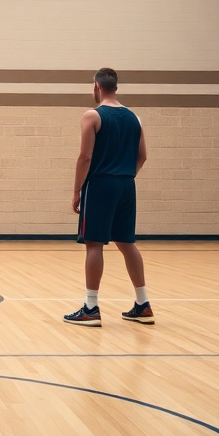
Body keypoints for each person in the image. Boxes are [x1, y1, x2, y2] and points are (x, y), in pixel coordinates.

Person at [65, 67, 154, 327]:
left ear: (96, 86)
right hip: (127, 184)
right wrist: (126, 176)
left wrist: (77, 189)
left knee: (94, 244)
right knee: (127, 243)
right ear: (116, 86)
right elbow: (143, 155)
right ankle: (143, 304)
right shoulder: (134, 118)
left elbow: (85, 157)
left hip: (101, 184)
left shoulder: (92, 115)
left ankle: (91, 307)